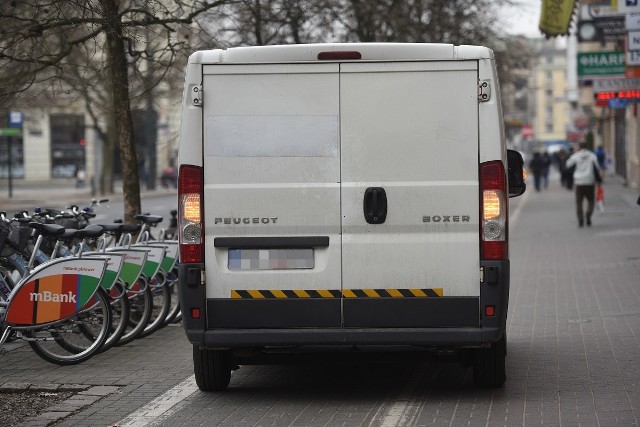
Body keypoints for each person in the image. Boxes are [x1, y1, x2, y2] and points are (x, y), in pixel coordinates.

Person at [565, 142, 600, 227]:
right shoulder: (592, 155)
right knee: (591, 200)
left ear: (579, 147)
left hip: (579, 182)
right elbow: (597, 167)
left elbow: (568, 165)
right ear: (587, 147)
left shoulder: (575, 156)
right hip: (589, 181)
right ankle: (588, 214)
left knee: (579, 202)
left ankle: (580, 220)